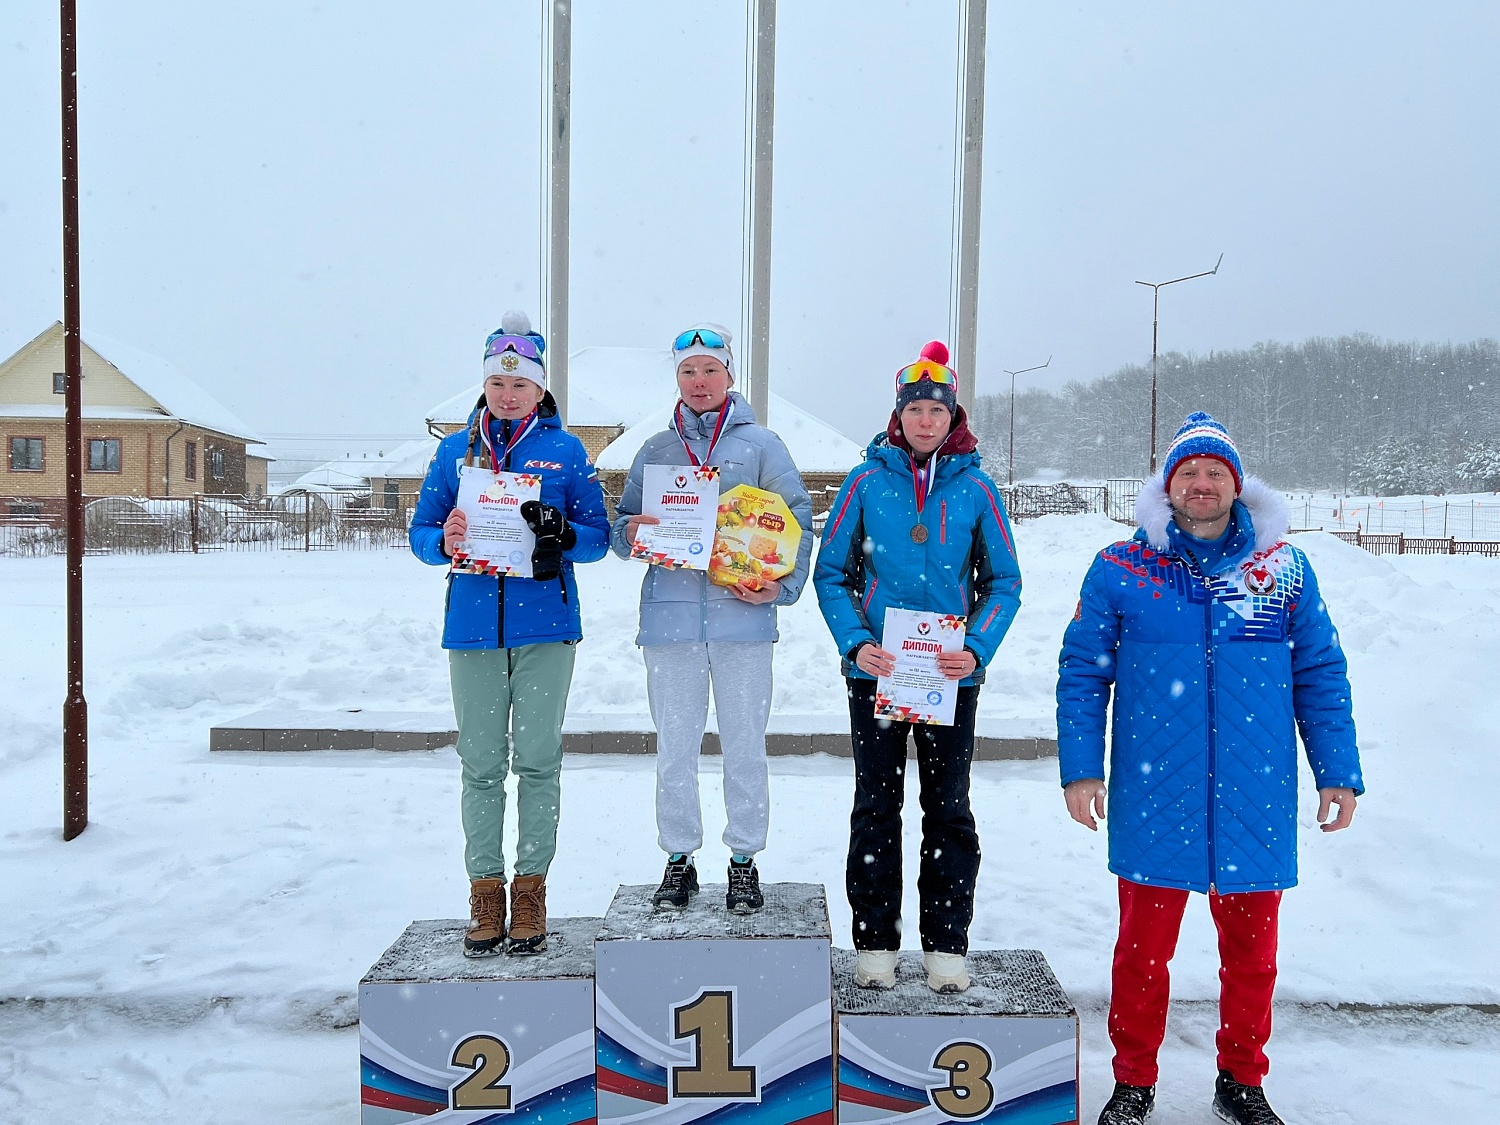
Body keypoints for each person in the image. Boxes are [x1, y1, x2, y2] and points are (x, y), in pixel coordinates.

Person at [1056, 412, 1363, 1125]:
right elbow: (1082, 672)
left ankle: (1242, 1080)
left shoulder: (1281, 568)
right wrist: (1081, 768)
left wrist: (1336, 771)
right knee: (1141, 956)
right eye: (1189, 471)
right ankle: (1132, 1081)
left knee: (1253, 959)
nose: (1202, 483)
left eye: (1215, 471)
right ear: (1168, 484)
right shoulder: (1122, 567)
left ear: (1236, 482)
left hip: (1254, 795)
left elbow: (1320, 670)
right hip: (1155, 791)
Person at [814, 341, 1021, 995]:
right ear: (897, 416)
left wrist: (977, 647)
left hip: (949, 677)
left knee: (948, 808)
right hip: (878, 672)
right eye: (915, 410)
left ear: (951, 414)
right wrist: (856, 642)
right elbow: (831, 573)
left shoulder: (978, 488)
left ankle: (946, 945)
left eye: (937, 409)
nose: (925, 421)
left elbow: (1004, 582)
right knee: (876, 806)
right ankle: (875, 942)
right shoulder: (865, 482)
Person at [410, 311, 610, 958]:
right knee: (481, 763)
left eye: (519, 383)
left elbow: (598, 537)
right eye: (498, 381)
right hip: (472, 627)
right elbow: (421, 533)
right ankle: (484, 891)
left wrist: (564, 535)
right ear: (486, 384)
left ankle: (530, 889)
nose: (507, 392)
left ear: (539, 388)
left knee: (538, 760)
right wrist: (442, 540)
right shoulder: (453, 451)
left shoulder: (567, 451)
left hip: (546, 625)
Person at [611, 323, 813, 915]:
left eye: (710, 370)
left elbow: (796, 516)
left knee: (745, 746)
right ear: (676, 379)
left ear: (730, 376)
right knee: (675, 746)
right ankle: (679, 858)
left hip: (742, 621)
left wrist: (780, 585)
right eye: (687, 372)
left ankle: (745, 860)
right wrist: (633, 534)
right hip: (671, 622)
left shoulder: (761, 446)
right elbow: (624, 526)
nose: (699, 382)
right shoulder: (656, 449)